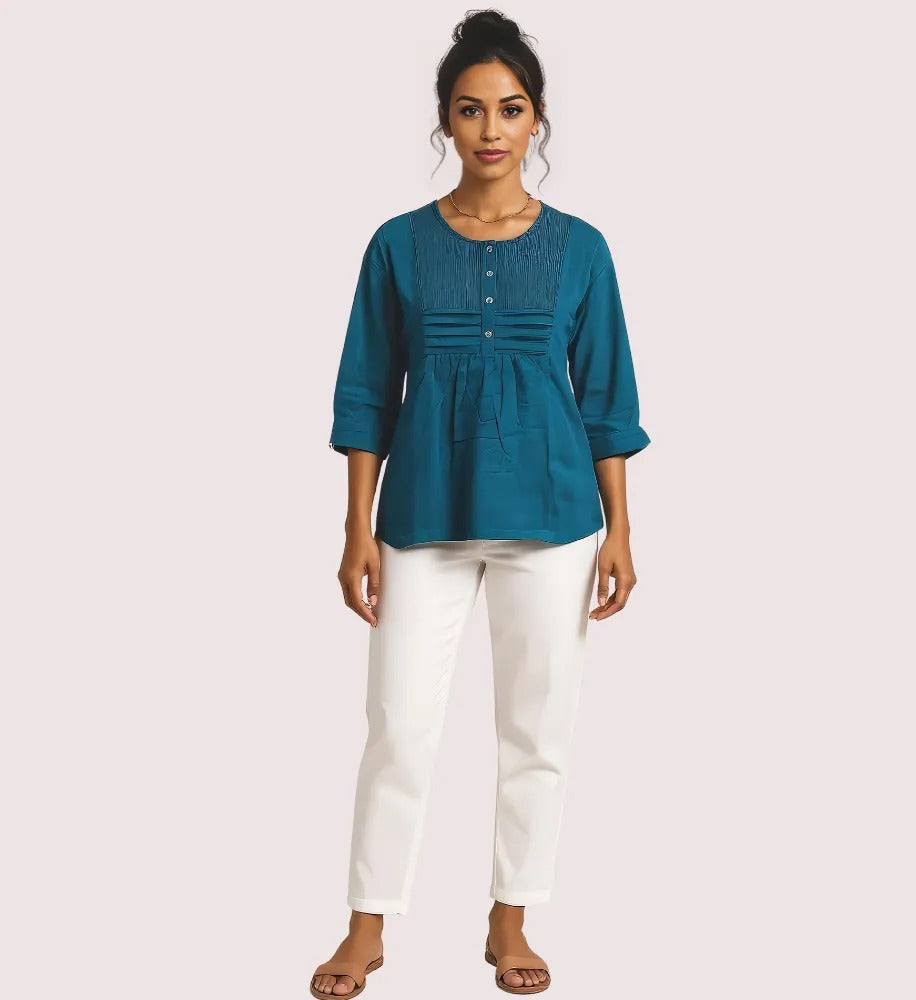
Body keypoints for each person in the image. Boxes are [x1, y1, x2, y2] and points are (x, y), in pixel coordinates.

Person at [310, 9, 651, 997]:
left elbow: (606, 398)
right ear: (444, 120)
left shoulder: (582, 249)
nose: (491, 129)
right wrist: (356, 528)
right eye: (470, 110)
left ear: (536, 118)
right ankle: (367, 923)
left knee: (538, 731)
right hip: (421, 516)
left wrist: (621, 528)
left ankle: (511, 916)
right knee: (398, 724)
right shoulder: (397, 245)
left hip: (555, 518)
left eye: (509, 109)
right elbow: (366, 392)